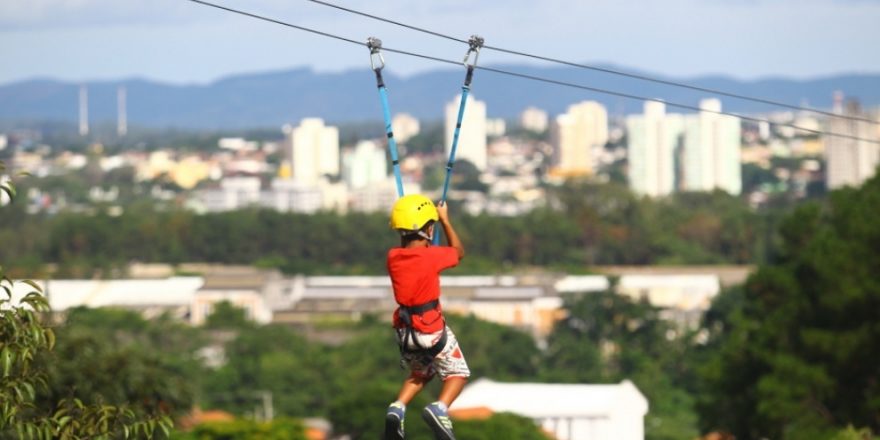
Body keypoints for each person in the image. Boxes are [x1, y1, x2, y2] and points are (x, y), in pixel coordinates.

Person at [384, 194, 470, 440]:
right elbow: (459, 252)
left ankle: (398, 407)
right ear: (428, 229)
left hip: (405, 332)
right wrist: (445, 220)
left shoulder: (393, 257)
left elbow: (411, 249)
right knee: (458, 373)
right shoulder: (432, 257)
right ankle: (439, 408)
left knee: (421, 373)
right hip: (430, 331)